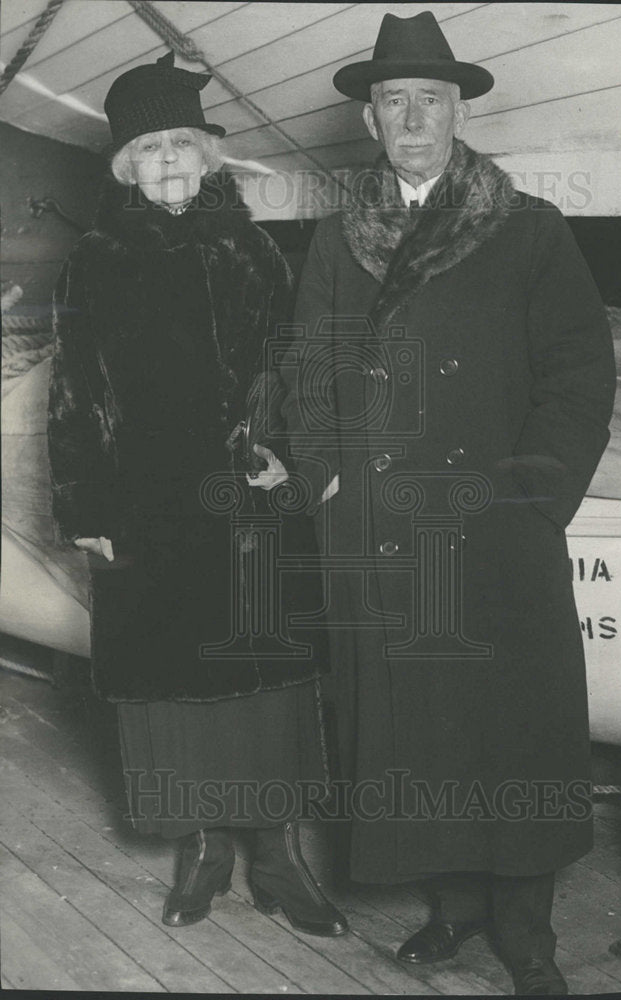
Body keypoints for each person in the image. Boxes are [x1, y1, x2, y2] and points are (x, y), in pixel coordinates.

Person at [276, 12, 615, 994]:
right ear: (371, 120)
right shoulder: (343, 236)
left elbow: (577, 377)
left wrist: (532, 496)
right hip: (383, 528)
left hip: (495, 525)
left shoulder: (530, 229)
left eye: (430, 99)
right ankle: (455, 911)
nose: (412, 117)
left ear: (458, 110)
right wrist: (327, 475)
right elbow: (308, 368)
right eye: (394, 101)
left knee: (511, 729)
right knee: (420, 734)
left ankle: (528, 933)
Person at [47, 51, 346, 936]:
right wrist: (88, 511)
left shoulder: (255, 249)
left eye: (183, 143)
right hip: (144, 509)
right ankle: (203, 851)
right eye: (150, 149)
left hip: (248, 505)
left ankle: (279, 856)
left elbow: (297, 372)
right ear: (126, 168)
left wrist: (288, 457)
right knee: (171, 688)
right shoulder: (93, 261)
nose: (170, 160)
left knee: (267, 682)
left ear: (209, 157)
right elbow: (72, 394)